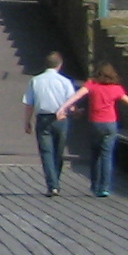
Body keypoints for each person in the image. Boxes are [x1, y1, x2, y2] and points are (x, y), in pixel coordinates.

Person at [66, 62, 128, 198]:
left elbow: (77, 96)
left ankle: (94, 184)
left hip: (95, 124)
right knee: (106, 155)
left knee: (95, 154)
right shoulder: (116, 88)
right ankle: (104, 187)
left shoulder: (92, 85)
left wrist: (65, 107)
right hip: (110, 124)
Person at [23, 51, 78, 196]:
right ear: (60, 65)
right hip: (61, 119)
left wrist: (27, 121)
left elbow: (29, 104)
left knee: (46, 152)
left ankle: (52, 185)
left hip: (43, 118)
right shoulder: (65, 81)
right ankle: (56, 180)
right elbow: (71, 104)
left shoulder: (35, 81)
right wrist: (75, 111)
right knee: (58, 152)